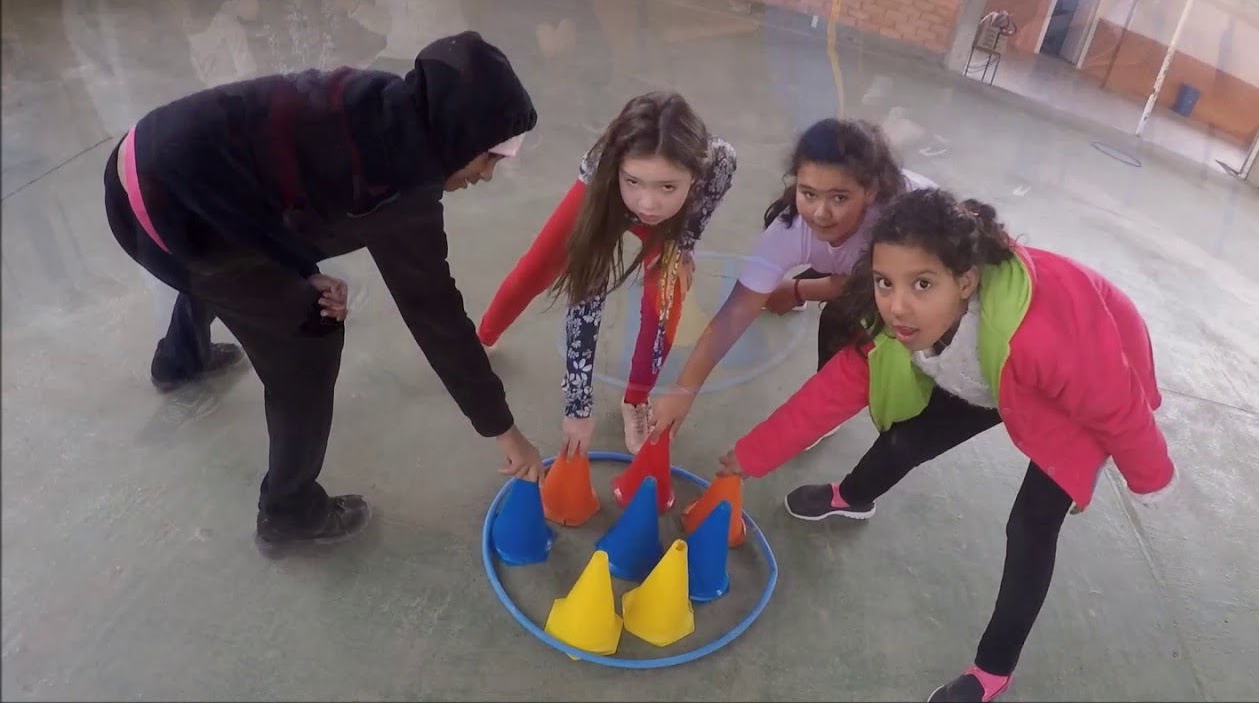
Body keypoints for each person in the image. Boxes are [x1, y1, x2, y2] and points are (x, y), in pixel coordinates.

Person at [713, 188, 1179, 702]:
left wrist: (1149, 478)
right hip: (991, 367)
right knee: (909, 436)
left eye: (922, 284)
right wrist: (750, 454)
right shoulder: (897, 320)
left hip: (1089, 369)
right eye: (884, 282)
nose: (897, 305)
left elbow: (1115, 402)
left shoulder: (1042, 336)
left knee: (1030, 525)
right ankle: (853, 495)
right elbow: (829, 394)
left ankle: (993, 669)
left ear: (965, 282)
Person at [104, 31, 546, 548]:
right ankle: (288, 512)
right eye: (487, 159)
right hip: (164, 216)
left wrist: (299, 267)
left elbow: (278, 186)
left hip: (142, 164)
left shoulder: (384, 103)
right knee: (308, 337)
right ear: (457, 135)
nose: (487, 176)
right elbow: (435, 315)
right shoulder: (400, 190)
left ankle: (180, 360)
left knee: (241, 274)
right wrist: (504, 429)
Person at [475, 91, 737, 455]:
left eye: (667, 186)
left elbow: (699, 214)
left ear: (694, 175)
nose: (648, 203)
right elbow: (586, 304)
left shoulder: (718, 162)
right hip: (604, 203)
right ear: (618, 168)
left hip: (670, 227)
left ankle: (636, 400)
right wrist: (578, 408)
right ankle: (484, 335)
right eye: (634, 180)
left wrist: (685, 245)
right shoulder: (602, 171)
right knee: (536, 267)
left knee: (666, 300)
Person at [649, 118, 933, 445]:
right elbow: (735, 314)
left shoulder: (895, 226)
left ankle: (825, 413)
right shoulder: (790, 229)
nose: (820, 212)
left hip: (907, 274)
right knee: (816, 267)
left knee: (840, 316)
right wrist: (683, 391)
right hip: (857, 266)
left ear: (869, 192)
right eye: (808, 193)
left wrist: (799, 290)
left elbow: (861, 287)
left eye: (839, 198)